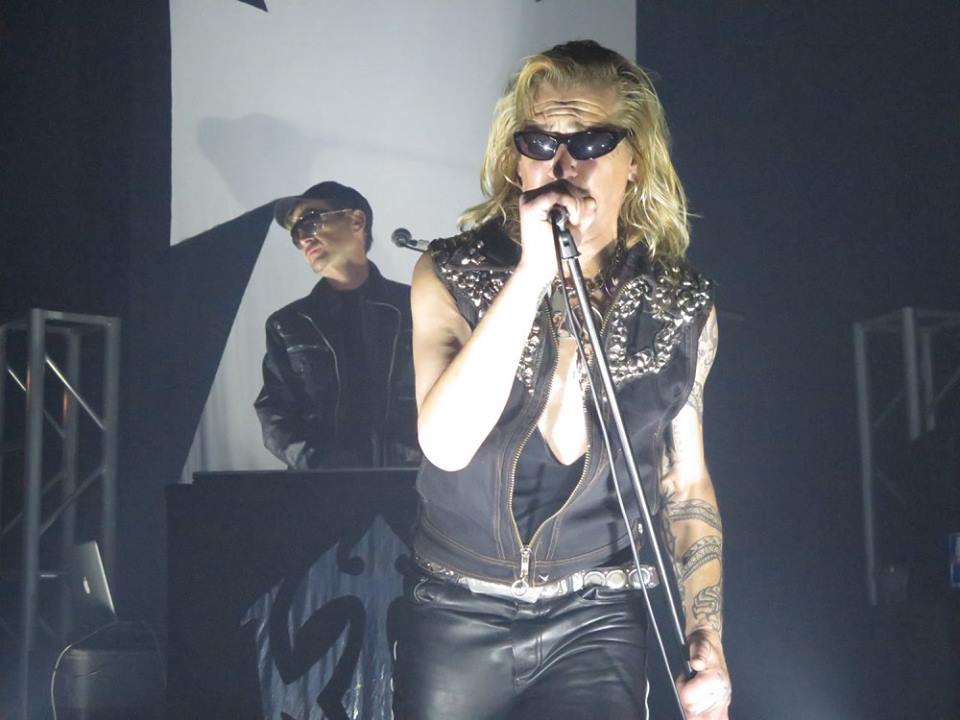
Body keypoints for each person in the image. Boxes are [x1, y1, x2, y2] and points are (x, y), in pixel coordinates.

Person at [393, 41, 731, 719]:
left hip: (598, 611)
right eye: (540, 142)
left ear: (635, 161)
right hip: (457, 606)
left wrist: (707, 636)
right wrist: (532, 275)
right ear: (517, 160)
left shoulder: (681, 306)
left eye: (591, 142)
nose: (563, 165)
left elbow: (686, 481)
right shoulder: (452, 274)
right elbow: (447, 444)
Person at [254, 181, 419, 469]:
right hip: (323, 489)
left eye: (310, 222)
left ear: (356, 220)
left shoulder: (415, 307)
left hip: (411, 482)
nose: (303, 238)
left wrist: (420, 460)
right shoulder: (288, 324)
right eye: (295, 234)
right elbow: (275, 414)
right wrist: (321, 462)